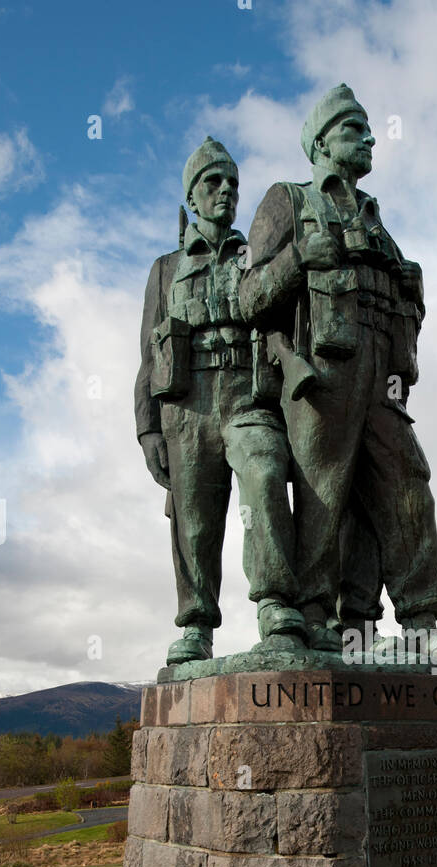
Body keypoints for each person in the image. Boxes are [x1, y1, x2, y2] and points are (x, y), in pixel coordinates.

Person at [240, 85, 437, 667]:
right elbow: (250, 298)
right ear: (322, 142)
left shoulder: (376, 220)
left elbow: (407, 298)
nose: (371, 139)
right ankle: (316, 620)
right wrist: (299, 258)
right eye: (355, 129)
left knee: (407, 483)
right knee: (325, 493)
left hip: (383, 373)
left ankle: (422, 625)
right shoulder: (288, 200)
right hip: (325, 369)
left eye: (369, 129)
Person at [135, 137, 308, 665]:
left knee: (263, 473)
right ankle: (196, 625)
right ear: (192, 195)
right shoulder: (165, 269)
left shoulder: (255, 257)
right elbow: (147, 355)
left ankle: (277, 604)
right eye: (213, 182)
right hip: (185, 408)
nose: (226, 191)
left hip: (247, 396)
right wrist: (148, 431)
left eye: (232, 182)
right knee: (195, 518)